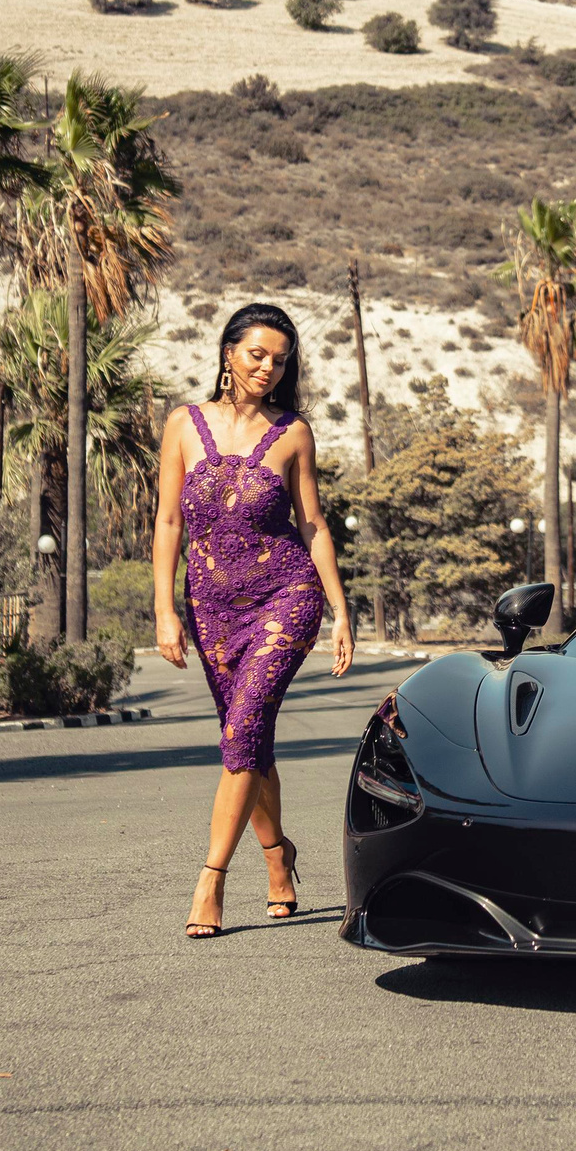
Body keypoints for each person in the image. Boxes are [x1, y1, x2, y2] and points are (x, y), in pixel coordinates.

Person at [151, 303, 354, 938]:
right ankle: (279, 861)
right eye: (257, 354)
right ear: (228, 353)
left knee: (243, 727)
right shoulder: (184, 425)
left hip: (285, 595)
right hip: (210, 605)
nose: (268, 368)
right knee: (252, 737)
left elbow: (313, 525)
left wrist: (340, 610)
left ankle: (210, 881)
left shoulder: (293, 432)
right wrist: (163, 608)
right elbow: (168, 522)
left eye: (279, 360)